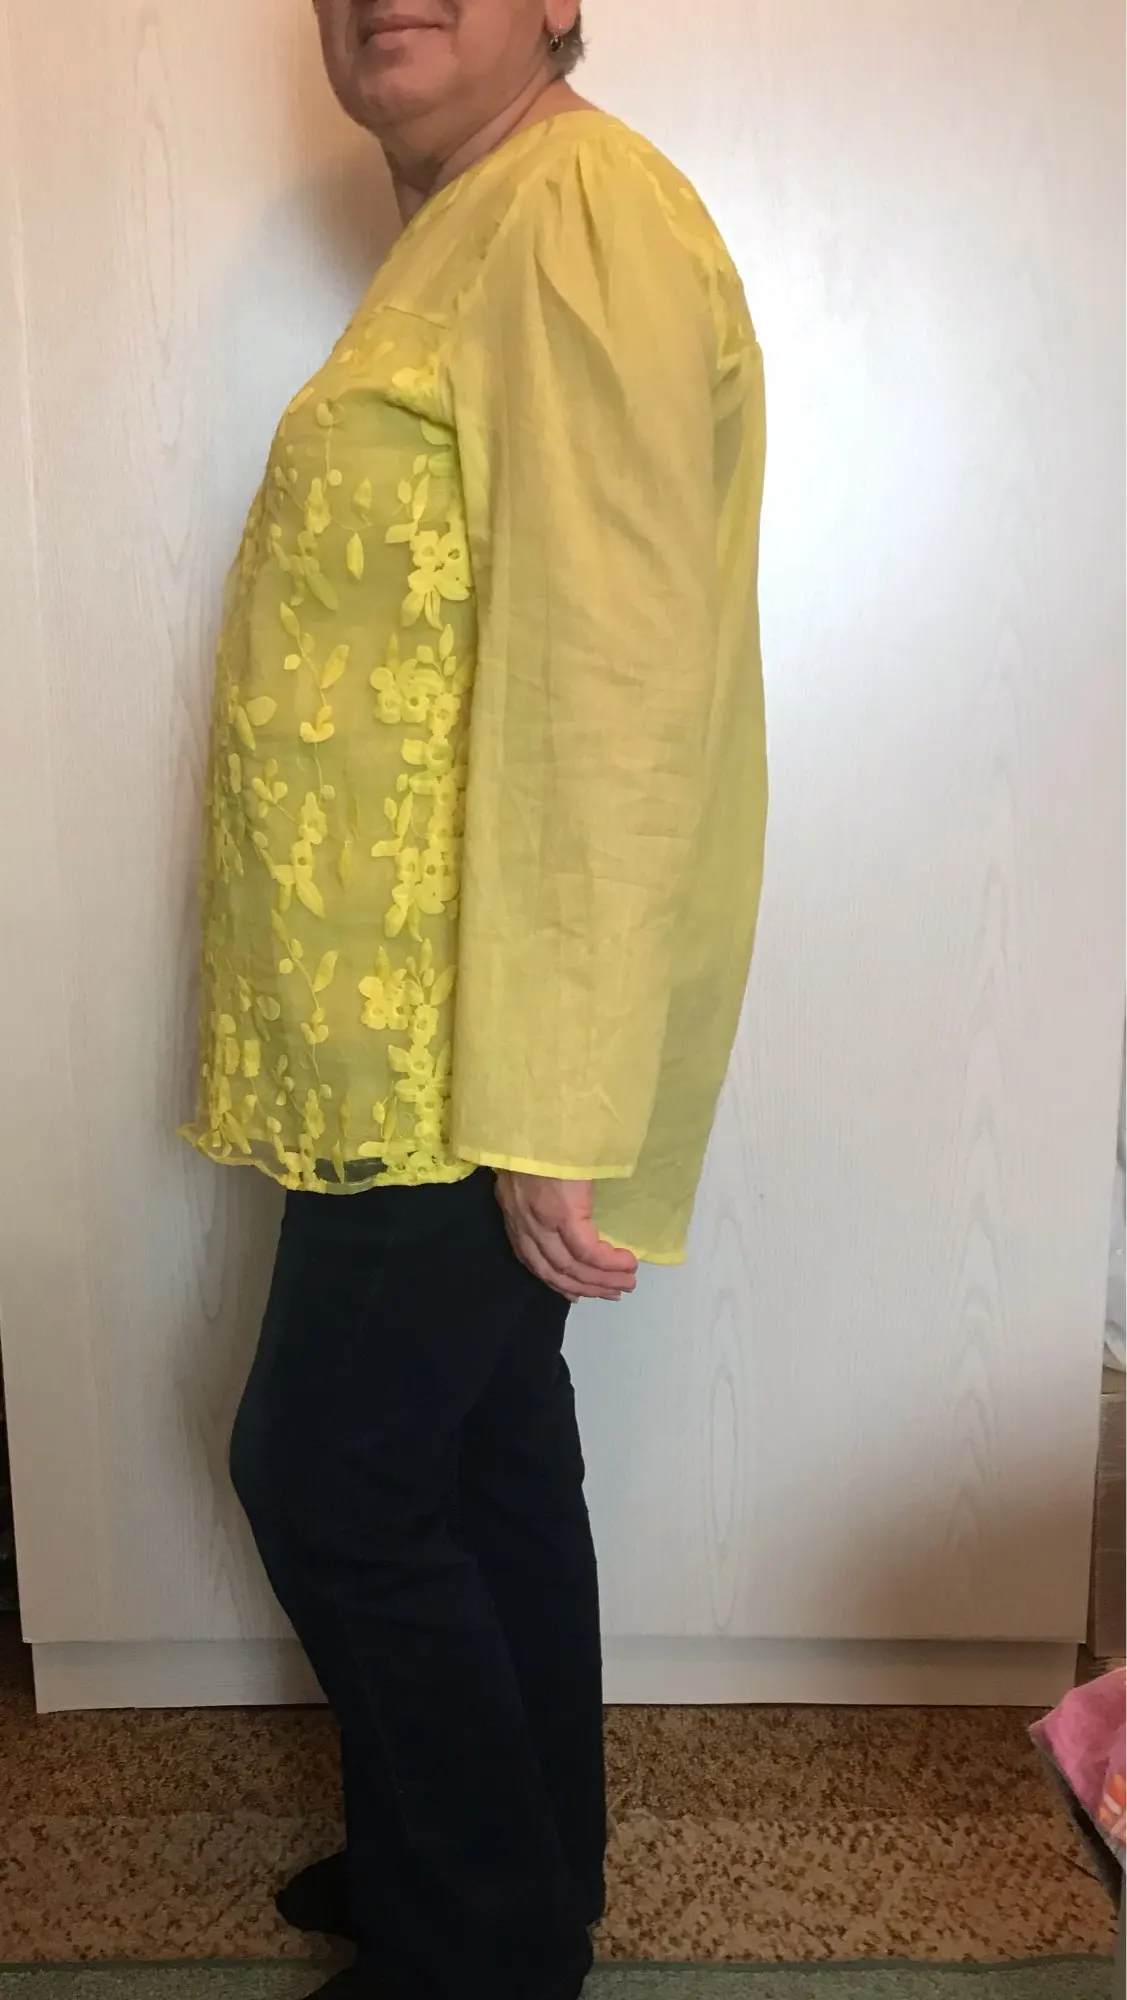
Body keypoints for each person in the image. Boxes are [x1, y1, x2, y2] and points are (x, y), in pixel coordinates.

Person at [181, 1, 767, 1995]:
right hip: (391, 1030)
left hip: (464, 1040)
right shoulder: (474, 226)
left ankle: (481, 1950)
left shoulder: (573, 214)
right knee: (482, 1446)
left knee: (327, 1477)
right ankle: (521, 1862)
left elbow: (609, 680)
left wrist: (555, 1092)